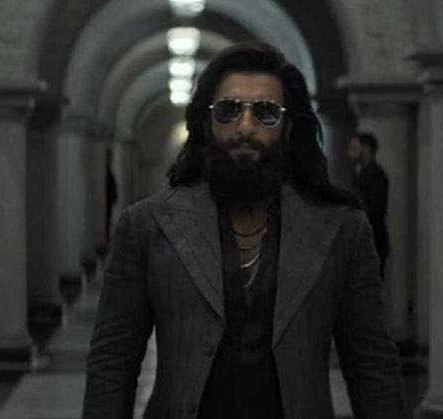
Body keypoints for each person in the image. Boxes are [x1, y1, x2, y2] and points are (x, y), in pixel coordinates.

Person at [83, 42, 408, 419]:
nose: (245, 127)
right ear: (207, 124)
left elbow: (372, 368)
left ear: (287, 127)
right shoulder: (148, 225)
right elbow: (112, 364)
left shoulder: (341, 229)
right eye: (229, 110)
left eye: (265, 113)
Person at [348, 133, 391, 277]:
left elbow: (376, 210)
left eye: (355, 147)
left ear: (366, 149)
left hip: (373, 241)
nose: (350, 151)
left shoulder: (376, 175)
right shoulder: (358, 174)